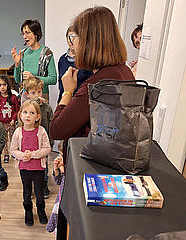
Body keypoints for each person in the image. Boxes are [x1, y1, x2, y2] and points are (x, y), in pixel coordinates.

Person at [49, 7, 135, 238]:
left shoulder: (97, 84)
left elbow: (57, 128)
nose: (72, 44)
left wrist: (67, 92)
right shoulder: (123, 71)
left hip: (92, 172)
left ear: (90, 40)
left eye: (75, 38)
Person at [10, 100, 51, 226]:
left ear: (37, 116)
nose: (28, 115)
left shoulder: (41, 131)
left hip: (39, 169)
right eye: (25, 112)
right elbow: (13, 150)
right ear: (20, 115)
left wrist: (32, 154)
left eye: (32, 113)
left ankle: (41, 211)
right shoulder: (18, 132)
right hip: (24, 169)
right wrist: (22, 156)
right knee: (27, 193)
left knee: (39, 194)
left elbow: (47, 149)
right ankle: (28, 212)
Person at [11, 18, 57, 102]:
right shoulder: (23, 53)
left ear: (36, 34)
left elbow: (53, 79)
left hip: (41, 96)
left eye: (27, 32)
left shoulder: (47, 53)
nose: (25, 36)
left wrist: (34, 77)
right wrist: (17, 65)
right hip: (26, 96)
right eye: (23, 34)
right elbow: (17, 80)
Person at [23, 76, 54, 199]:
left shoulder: (47, 108)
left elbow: (51, 125)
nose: (37, 95)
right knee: (29, 164)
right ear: (27, 94)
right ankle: (29, 186)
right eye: (33, 93)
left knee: (43, 163)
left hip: (43, 142)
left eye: (39, 92)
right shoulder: (25, 108)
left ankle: (43, 184)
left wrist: (51, 142)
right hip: (29, 142)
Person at [57, 25, 93, 103]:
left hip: (80, 102)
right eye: (70, 37)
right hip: (65, 101)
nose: (72, 41)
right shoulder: (62, 59)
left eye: (74, 38)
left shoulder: (87, 60)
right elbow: (60, 83)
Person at [0, 75, 20, 163]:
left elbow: (17, 109)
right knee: (4, 139)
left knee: (13, 138)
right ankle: (6, 154)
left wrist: (13, 119)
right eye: (0, 85)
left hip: (11, 122)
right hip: (1, 124)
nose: (2, 87)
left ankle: (13, 152)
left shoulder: (13, 98)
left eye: (4, 84)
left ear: (8, 85)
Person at [46, 141, 64, 236]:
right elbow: (58, 181)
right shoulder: (63, 164)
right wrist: (56, 169)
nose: (60, 158)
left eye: (62, 156)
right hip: (59, 201)